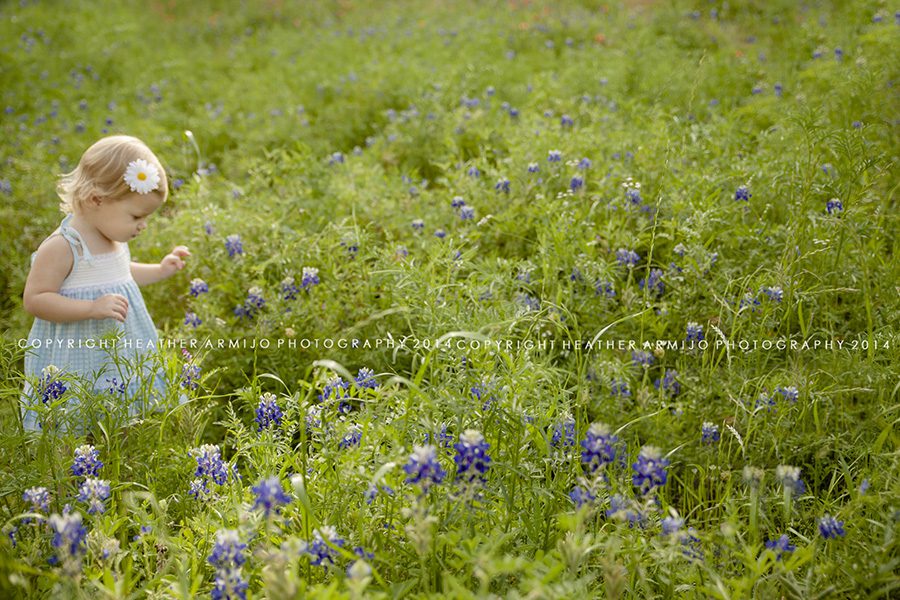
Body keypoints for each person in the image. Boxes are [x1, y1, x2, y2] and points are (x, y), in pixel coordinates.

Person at [20, 135, 190, 433]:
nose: (143, 225)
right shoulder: (63, 246)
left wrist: (161, 269)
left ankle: (111, 457)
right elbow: (35, 299)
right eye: (136, 215)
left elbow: (122, 275)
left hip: (117, 351)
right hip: (73, 355)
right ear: (96, 199)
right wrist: (90, 308)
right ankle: (64, 473)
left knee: (117, 413)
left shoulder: (112, 238)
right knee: (68, 422)